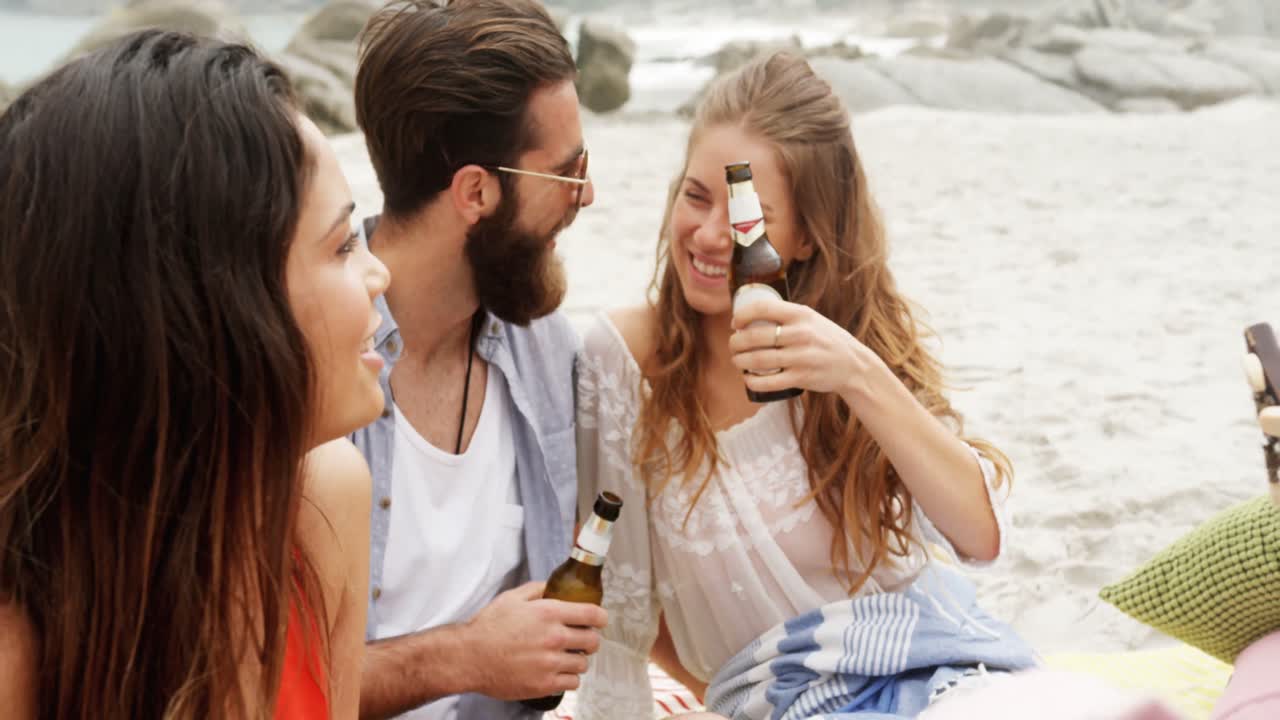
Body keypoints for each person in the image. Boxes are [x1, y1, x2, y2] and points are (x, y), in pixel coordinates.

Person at [573, 52, 1035, 719]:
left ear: (805, 240)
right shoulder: (619, 362)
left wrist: (856, 372)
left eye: (744, 221)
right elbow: (621, 610)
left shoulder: (845, 351)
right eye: (694, 195)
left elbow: (979, 539)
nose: (706, 236)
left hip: (935, 669)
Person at [0, 30, 388, 719]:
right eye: (342, 244)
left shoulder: (324, 501)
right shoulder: (19, 642)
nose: (378, 274)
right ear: (211, 308)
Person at [348, 1, 604, 718]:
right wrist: (466, 657)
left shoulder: (546, 347)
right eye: (567, 173)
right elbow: (256, 676)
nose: (588, 193)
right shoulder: (309, 368)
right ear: (476, 191)